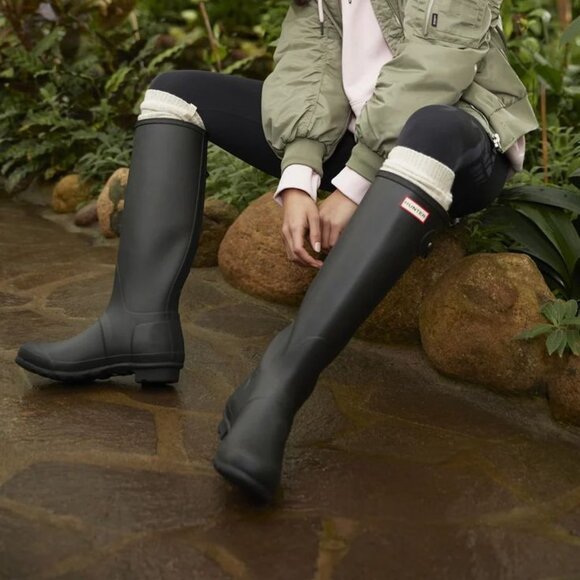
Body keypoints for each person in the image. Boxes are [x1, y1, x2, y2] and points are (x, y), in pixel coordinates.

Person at [15, 0, 538, 502]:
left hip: (458, 140)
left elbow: (438, 61)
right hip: (359, 133)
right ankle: (135, 324)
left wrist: (354, 185)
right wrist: (300, 177)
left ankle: (279, 384)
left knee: (432, 125)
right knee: (175, 96)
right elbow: (310, 63)